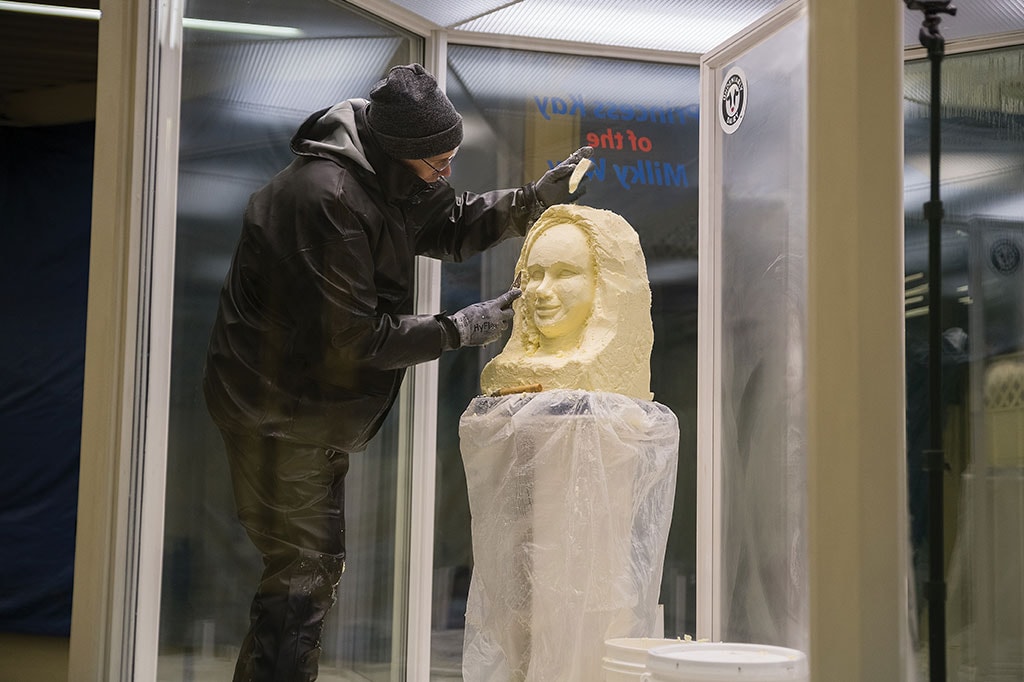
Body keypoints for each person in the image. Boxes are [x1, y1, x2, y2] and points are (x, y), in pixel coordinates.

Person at [202, 63, 592, 682]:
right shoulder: (324, 199)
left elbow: (449, 222)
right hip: (274, 410)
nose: (446, 173)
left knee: (306, 569)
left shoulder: (387, 172)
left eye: (452, 159)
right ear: (397, 152)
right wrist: (457, 329)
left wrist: (529, 203)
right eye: (437, 164)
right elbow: (350, 338)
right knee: (303, 569)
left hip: (308, 408)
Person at [479, 204, 653, 401]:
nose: (542, 290)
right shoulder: (505, 367)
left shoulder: (592, 370)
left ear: (602, 284)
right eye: (536, 274)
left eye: (564, 273)